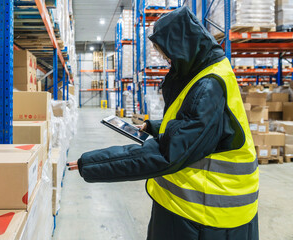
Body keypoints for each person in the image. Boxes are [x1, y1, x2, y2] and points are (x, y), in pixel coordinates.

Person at [67, 6, 259, 240]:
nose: (164, 58)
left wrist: (90, 163)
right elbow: (196, 125)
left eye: (164, 51)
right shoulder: (205, 72)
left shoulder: (207, 86)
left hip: (207, 214)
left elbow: (168, 154)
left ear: (181, 44)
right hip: (198, 208)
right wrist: (152, 127)